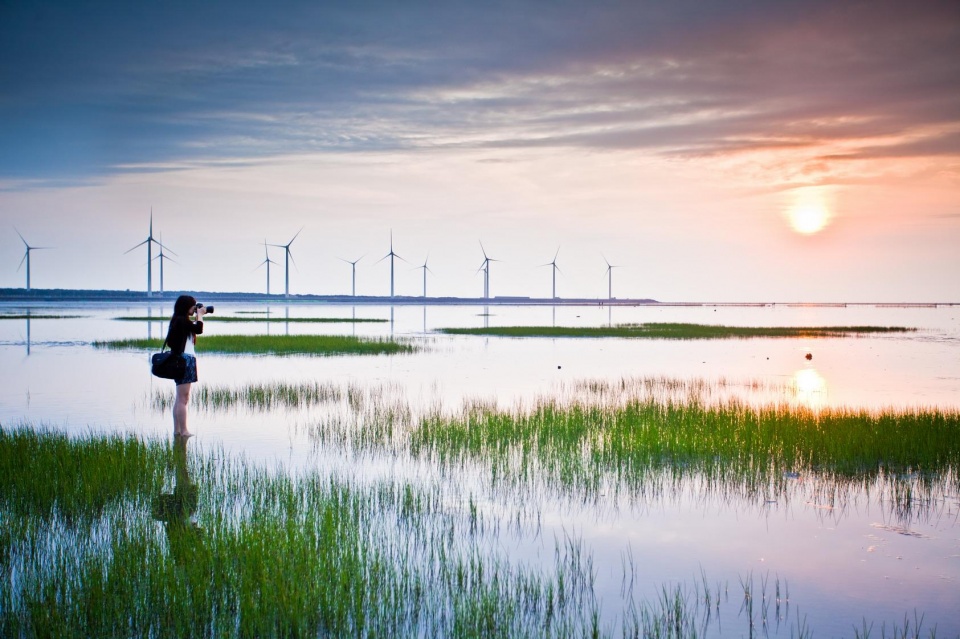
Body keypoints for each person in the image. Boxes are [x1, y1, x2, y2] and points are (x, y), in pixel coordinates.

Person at [165, 294, 205, 438]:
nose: (194, 308)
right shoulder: (181, 321)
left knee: (179, 398)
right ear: (186, 306)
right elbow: (199, 329)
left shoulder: (178, 321)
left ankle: (177, 430)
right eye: (193, 306)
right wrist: (200, 315)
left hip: (181, 361)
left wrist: (196, 316)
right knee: (184, 399)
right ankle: (184, 431)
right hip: (185, 361)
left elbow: (193, 330)